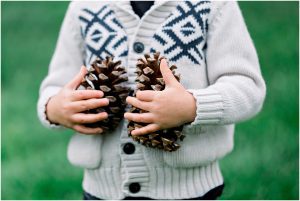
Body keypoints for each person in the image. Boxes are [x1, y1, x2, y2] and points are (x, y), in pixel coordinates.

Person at [37, 1, 266, 200]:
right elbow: (54, 86)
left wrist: (193, 106)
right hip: (101, 191)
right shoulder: (83, 8)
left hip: (189, 192)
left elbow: (247, 86)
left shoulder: (214, 5)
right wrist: (54, 108)